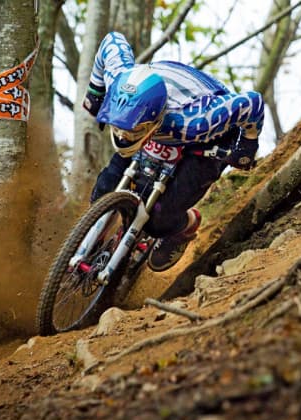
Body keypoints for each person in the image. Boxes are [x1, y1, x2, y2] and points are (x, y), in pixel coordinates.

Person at [82, 32, 264, 272]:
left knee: (158, 221)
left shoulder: (196, 123)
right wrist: (96, 90)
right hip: (152, 97)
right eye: (120, 128)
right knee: (104, 190)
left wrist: (247, 144)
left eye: (131, 131)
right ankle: (93, 241)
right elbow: (111, 41)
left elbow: (252, 102)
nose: (122, 137)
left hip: (206, 136)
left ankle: (183, 228)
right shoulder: (118, 78)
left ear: (154, 123)